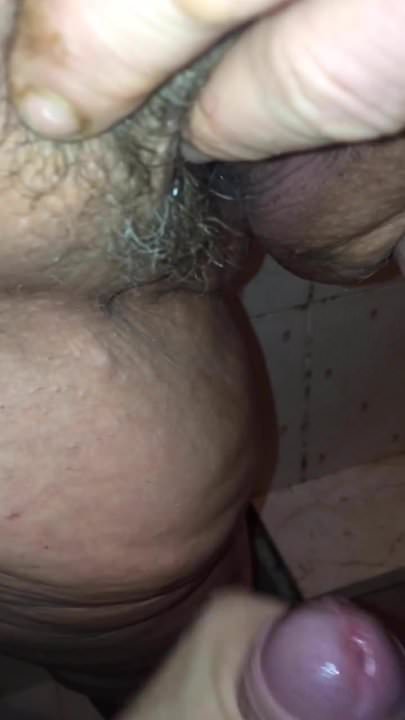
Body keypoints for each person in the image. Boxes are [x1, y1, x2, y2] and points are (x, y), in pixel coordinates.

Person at [0, 1, 405, 718]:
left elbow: (318, 232)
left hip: (189, 530)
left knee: (225, 607)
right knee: (146, 675)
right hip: (94, 601)